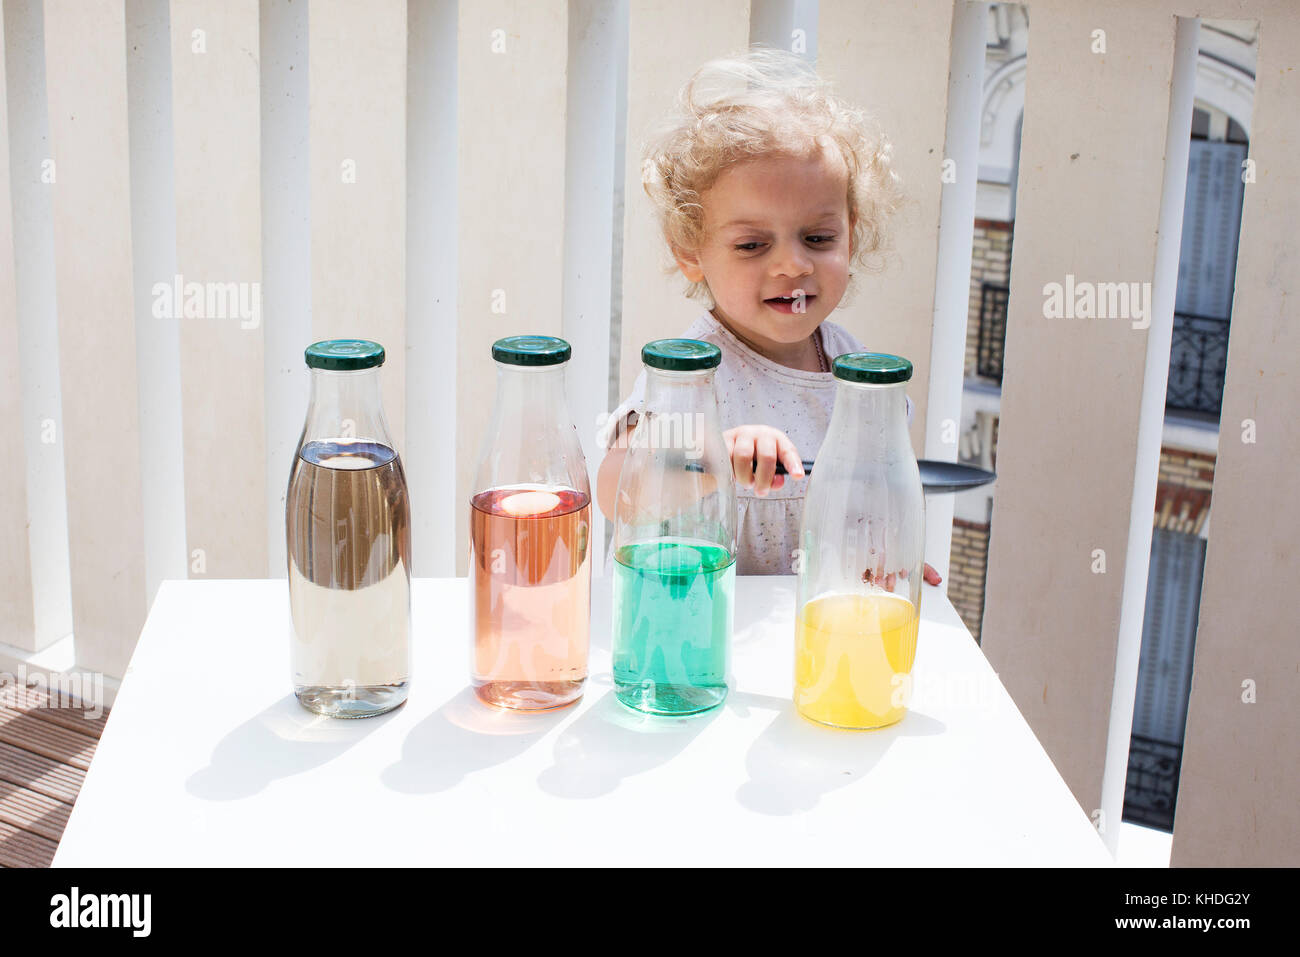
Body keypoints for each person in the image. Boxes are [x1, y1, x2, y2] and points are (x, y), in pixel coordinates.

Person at [596, 46, 940, 585]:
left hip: (811, 636)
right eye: (753, 245)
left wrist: (882, 559)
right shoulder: (689, 375)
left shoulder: (850, 364)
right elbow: (619, 489)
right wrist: (710, 454)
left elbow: (869, 498)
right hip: (698, 636)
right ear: (690, 251)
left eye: (818, 238)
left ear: (851, 230)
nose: (792, 264)